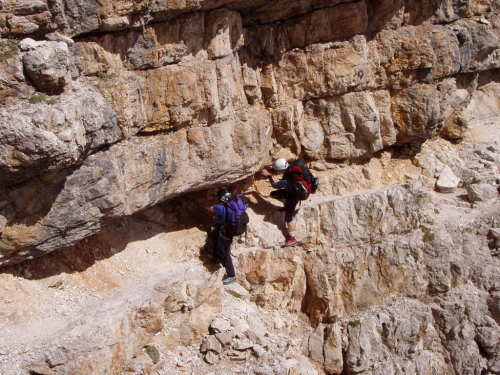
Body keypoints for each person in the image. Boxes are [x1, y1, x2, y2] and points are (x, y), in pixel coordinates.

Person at [260, 157, 308, 247]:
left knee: (288, 219)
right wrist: (265, 165)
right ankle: (286, 205)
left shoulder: (286, 181)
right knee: (274, 194)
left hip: (293, 198)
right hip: (291, 192)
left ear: (282, 170)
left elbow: (274, 185)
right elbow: (276, 164)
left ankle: (293, 239)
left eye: (278, 170)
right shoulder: (290, 166)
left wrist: (269, 176)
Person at [204, 188, 238, 285]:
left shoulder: (220, 207)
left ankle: (231, 275)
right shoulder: (232, 205)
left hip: (223, 232)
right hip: (227, 232)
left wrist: (208, 196)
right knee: (212, 245)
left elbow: (207, 206)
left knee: (225, 254)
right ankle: (217, 257)